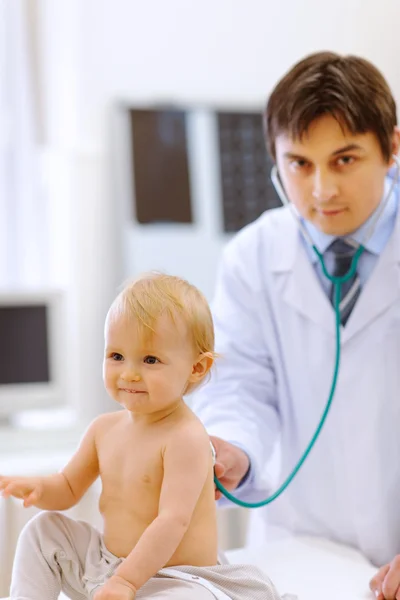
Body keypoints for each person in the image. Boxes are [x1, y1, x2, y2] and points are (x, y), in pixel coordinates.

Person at [191, 51, 400, 600]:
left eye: (345, 159)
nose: (322, 190)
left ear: (392, 149)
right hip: (301, 553)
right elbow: (240, 384)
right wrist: (233, 448)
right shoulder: (253, 256)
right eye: (300, 164)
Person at [0, 273, 283, 600]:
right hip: (106, 566)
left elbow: (172, 522)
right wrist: (39, 487)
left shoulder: (186, 438)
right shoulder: (103, 429)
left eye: (150, 360)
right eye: (116, 356)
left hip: (175, 577)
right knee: (43, 530)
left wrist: (127, 582)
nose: (129, 373)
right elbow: (67, 488)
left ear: (196, 368)